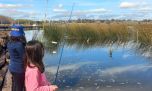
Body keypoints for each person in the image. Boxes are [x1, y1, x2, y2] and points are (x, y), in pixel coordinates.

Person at [7, 24, 26, 91]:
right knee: (19, 87)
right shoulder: (19, 44)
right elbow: (24, 57)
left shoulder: (9, 43)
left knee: (15, 84)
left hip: (11, 67)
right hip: (19, 70)